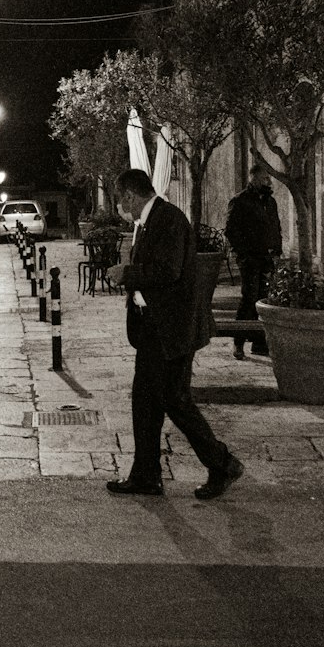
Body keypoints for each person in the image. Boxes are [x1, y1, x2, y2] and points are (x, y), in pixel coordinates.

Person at [105, 168, 243, 501]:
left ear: (130, 196)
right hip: (154, 328)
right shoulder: (150, 221)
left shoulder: (169, 220)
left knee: (175, 401)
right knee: (145, 403)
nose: (122, 208)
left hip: (172, 330)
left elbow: (169, 270)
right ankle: (146, 475)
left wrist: (128, 273)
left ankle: (222, 463)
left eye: (122, 201)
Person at [225, 159, 283, 359]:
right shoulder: (240, 201)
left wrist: (277, 249)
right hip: (250, 258)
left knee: (264, 299)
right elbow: (231, 230)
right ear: (255, 178)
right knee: (249, 298)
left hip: (267, 258)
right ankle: (238, 342)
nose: (269, 182)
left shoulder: (270, 202)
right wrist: (244, 253)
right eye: (266, 178)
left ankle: (259, 343)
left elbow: (275, 226)